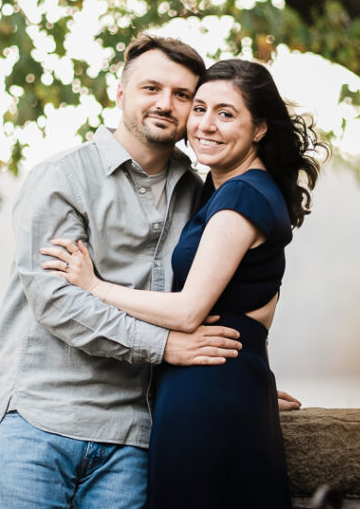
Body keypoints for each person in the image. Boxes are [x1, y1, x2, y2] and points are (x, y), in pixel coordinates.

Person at [0, 34, 248, 509]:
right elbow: (59, 302)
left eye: (183, 95)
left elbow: (222, 292)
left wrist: (244, 380)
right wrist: (166, 347)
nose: (166, 104)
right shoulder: (62, 178)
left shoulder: (199, 192)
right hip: (39, 421)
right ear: (120, 93)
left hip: (136, 435)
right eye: (151, 88)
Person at [43, 57, 324, 509]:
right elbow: (257, 300)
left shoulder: (240, 196)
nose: (205, 126)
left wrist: (95, 287)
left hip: (206, 394)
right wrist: (252, 371)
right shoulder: (229, 187)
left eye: (226, 114)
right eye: (200, 109)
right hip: (222, 380)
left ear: (259, 129)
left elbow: (190, 311)